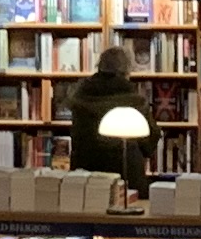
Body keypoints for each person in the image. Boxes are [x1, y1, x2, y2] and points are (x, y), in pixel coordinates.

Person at [58, 41, 150, 177]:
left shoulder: (80, 96)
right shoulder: (134, 101)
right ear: (126, 71)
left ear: (99, 66)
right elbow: (149, 143)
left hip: (86, 173)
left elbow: (77, 136)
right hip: (126, 172)